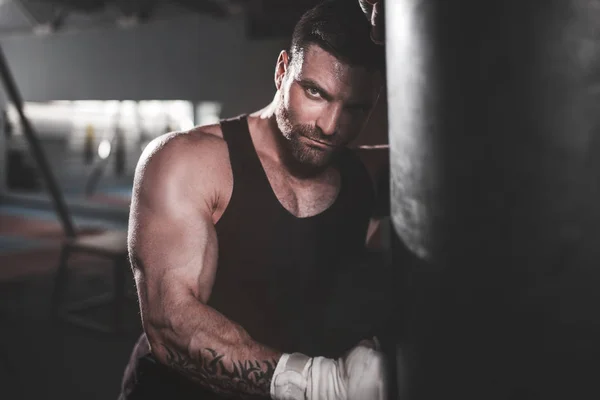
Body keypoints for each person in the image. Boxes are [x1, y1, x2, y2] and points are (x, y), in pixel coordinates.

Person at [118, 1, 389, 399]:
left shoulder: (368, 173)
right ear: (282, 71)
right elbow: (169, 327)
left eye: (355, 108)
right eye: (315, 92)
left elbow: (482, 165)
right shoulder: (189, 162)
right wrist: (314, 384)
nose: (330, 126)